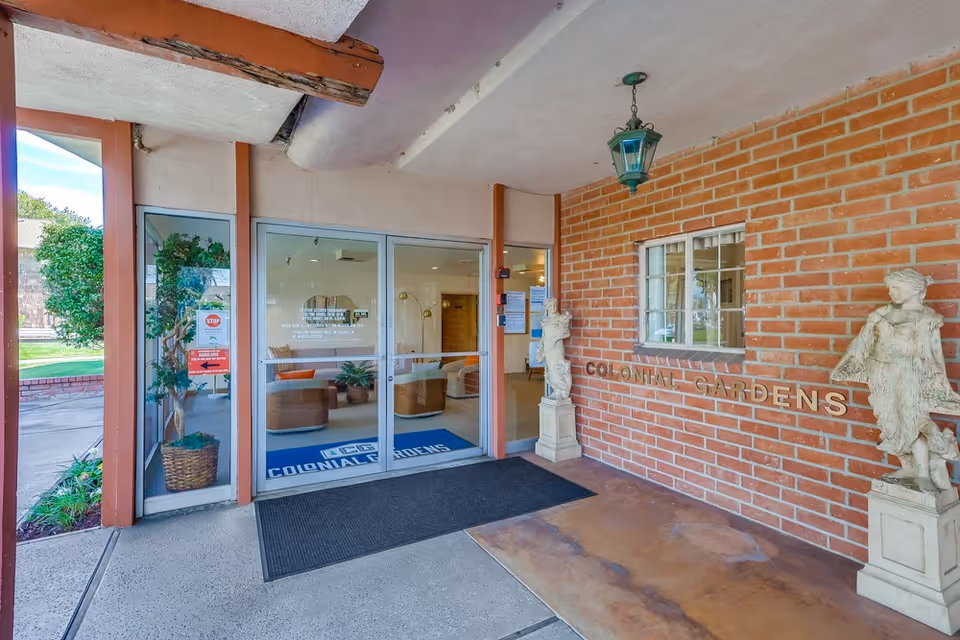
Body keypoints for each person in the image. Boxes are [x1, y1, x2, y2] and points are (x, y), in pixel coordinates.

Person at [832, 269, 960, 493]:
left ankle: (922, 473)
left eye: (897, 288)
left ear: (915, 289)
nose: (892, 293)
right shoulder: (880, 315)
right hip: (881, 376)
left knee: (914, 423)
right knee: (892, 426)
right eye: (890, 288)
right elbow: (861, 345)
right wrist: (848, 365)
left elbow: (934, 355)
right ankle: (910, 469)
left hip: (909, 378)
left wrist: (940, 383)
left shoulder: (927, 318)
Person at [536, 298, 572, 400]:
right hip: (548, 347)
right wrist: (541, 348)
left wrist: (556, 338)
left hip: (556, 347)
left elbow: (567, 333)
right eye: (550, 306)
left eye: (555, 305)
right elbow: (544, 336)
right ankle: (556, 391)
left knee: (559, 368)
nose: (553, 308)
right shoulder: (545, 320)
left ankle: (563, 391)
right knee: (551, 369)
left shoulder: (561, 318)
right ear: (546, 307)